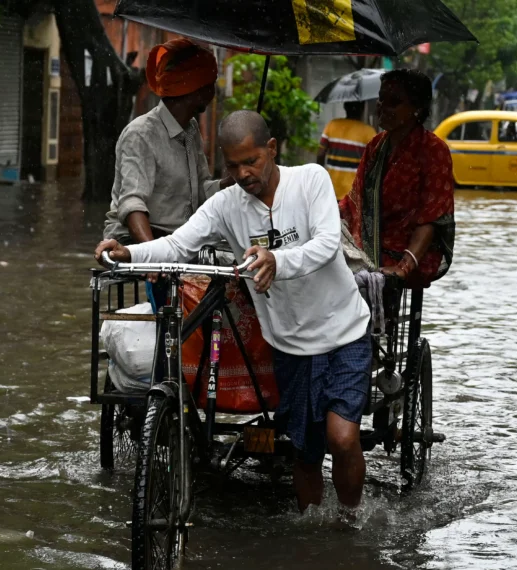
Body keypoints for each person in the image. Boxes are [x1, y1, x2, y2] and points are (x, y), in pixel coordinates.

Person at [95, 111, 373, 519]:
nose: (243, 173)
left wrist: (277, 260)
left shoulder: (311, 180)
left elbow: (328, 243)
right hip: (291, 346)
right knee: (305, 451)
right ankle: (314, 533)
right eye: (232, 165)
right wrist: (129, 254)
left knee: (343, 437)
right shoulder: (225, 206)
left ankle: (350, 523)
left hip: (345, 332)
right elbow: (178, 245)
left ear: (272, 150)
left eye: (252, 161)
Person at [102, 38, 230, 246]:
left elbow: (200, 191)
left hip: (179, 237)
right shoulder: (141, 134)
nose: (214, 93)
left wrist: (229, 183)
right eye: (211, 84)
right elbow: (132, 203)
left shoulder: (191, 129)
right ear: (199, 90)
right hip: (135, 238)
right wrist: (153, 255)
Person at [340, 69, 454, 287]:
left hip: (413, 255)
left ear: (417, 109)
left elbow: (432, 217)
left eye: (394, 101)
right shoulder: (376, 145)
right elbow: (354, 201)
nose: (383, 106)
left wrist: (404, 266)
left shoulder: (433, 150)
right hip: (368, 244)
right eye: (381, 98)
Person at [316, 101, 377, 200]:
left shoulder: (332, 125)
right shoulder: (369, 132)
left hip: (332, 191)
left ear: (345, 106)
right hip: (355, 195)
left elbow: (320, 155)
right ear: (362, 108)